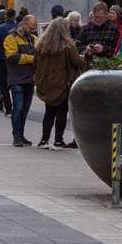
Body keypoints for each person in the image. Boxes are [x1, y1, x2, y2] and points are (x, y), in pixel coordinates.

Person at [34, 16, 85, 149]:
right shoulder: (68, 46)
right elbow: (78, 63)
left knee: (49, 111)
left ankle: (44, 140)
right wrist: (84, 57)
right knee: (62, 111)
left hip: (46, 83)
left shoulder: (41, 45)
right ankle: (58, 140)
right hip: (63, 82)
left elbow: (35, 63)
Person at [4, 14, 39, 146]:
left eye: (34, 27)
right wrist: (31, 58)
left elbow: (39, 54)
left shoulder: (34, 39)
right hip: (16, 78)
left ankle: (21, 134)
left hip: (30, 78)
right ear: (23, 24)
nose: (33, 30)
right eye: (31, 27)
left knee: (25, 109)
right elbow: (12, 57)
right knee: (18, 108)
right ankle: (16, 136)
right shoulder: (11, 38)